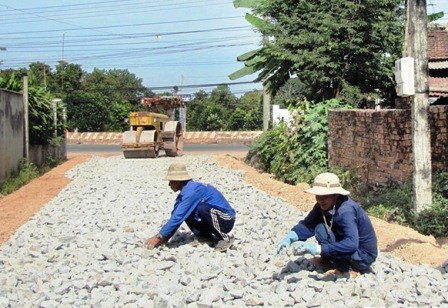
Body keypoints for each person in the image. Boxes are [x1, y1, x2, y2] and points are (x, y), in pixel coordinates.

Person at [276, 172, 378, 279]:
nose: (320, 200)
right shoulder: (323, 205)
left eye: (324, 196)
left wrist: (318, 249)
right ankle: (330, 261)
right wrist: (291, 237)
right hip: (346, 245)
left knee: (324, 233)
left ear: (336, 195)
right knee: (320, 228)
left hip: (361, 255)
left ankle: (347, 268)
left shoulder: (346, 211)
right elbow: (309, 224)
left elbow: (352, 243)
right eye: (318, 196)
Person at [145, 162, 236, 252]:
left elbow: (178, 217)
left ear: (178, 181)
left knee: (202, 208)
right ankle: (206, 236)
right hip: (214, 219)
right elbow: (176, 214)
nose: (169, 184)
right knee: (188, 211)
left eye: (171, 181)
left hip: (226, 219)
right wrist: (165, 237)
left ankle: (225, 238)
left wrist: (159, 236)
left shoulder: (192, 191)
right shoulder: (185, 193)